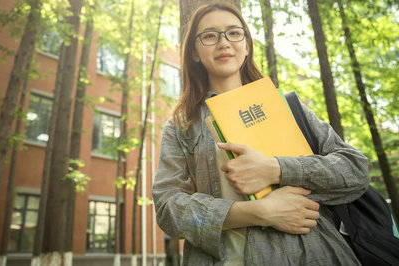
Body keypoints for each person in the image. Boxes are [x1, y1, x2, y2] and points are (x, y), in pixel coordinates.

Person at [152, 2, 369, 265]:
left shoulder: (286, 107)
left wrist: (275, 169)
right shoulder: (181, 125)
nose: (224, 42)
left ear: (246, 45)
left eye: (234, 32)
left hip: (314, 254)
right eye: (210, 36)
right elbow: (168, 208)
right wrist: (257, 212)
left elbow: (355, 170)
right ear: (195, 53)